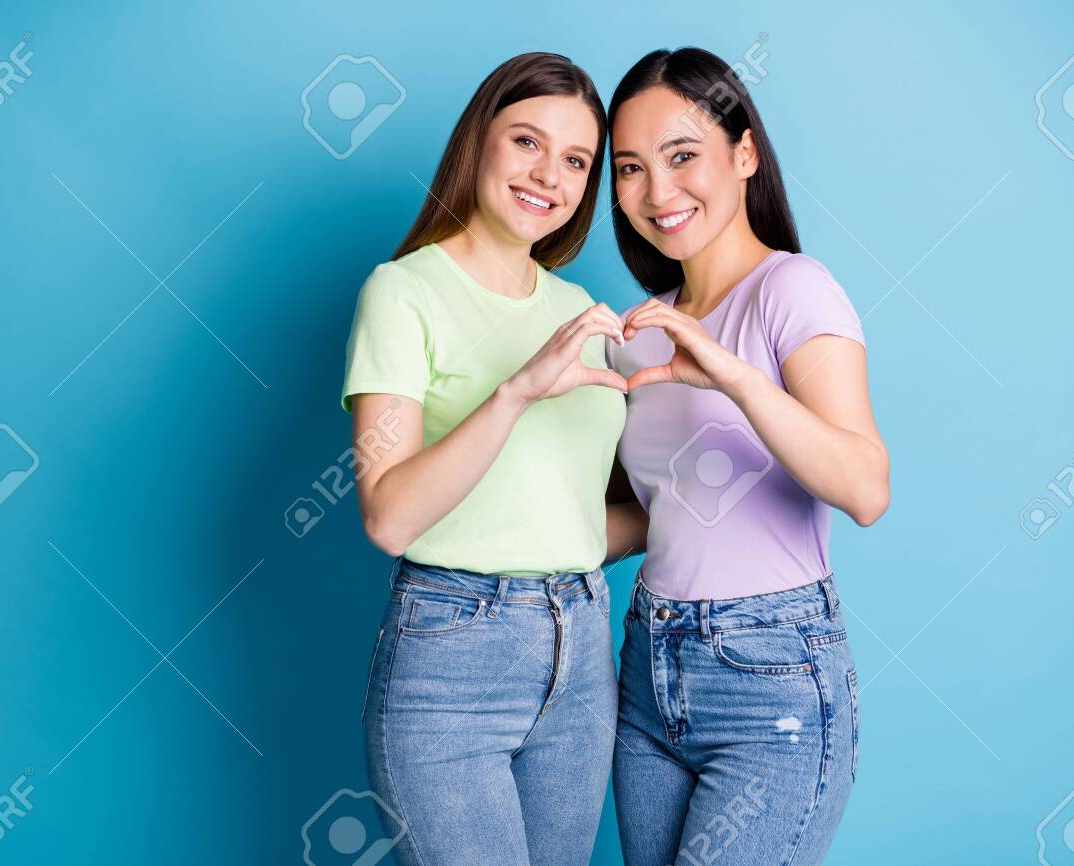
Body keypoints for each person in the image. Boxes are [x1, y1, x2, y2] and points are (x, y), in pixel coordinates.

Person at [604, 47, 891, 866]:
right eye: (630, 168)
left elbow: (865, 488)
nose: (657, 191)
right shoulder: (639, 332)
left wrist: (732, 377)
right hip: (648, 670)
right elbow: (649, 521)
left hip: (770, 678)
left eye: (682, 155)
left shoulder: (792, 289)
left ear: (744, 154)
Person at [342, 52, 629, 866]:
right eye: (527, 142)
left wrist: (711, 502)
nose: (549, 176)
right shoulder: (402, 292)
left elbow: (565, 522)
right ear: (479, 141)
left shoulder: (582, 312)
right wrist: (518, 391)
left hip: (581, 651)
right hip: (452, 656)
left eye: (576, 160)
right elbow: (389, 517)